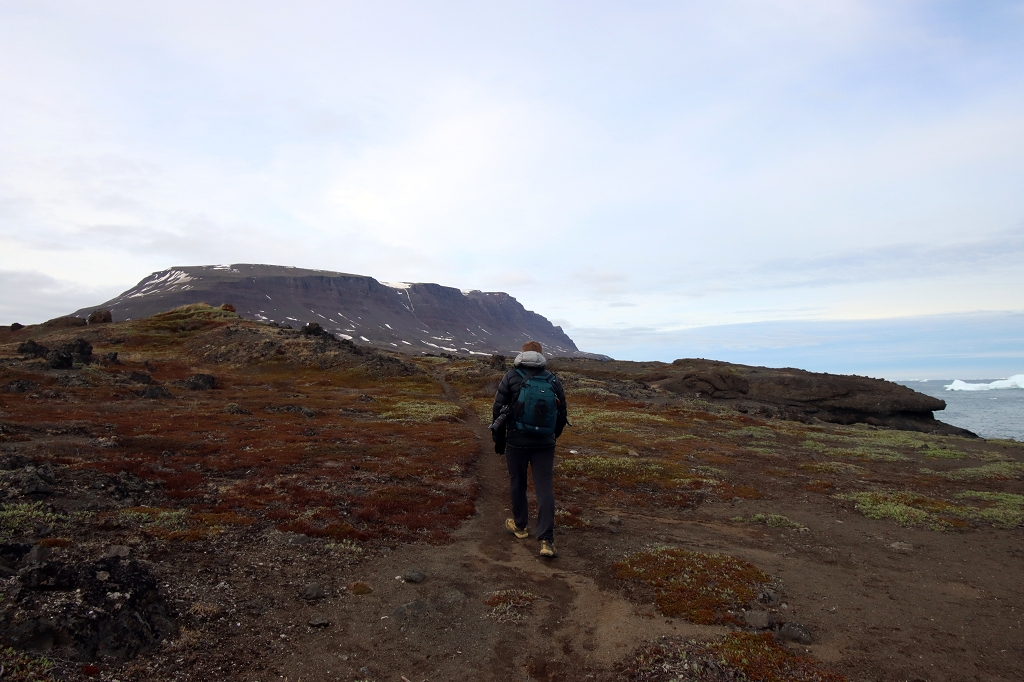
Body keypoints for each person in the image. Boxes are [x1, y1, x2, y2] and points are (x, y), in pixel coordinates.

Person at [492, 340, 568, 558]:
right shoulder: (552, 379)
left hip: (516, 441)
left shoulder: (511, 376)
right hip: (545, 443)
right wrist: (552, 436)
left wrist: (498, 437)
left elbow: (498, 409)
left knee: (518, 482)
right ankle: (546, 540)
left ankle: (520, 526)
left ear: (522, 354)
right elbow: (562, 415)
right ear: (541, 355)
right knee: (544, 487)